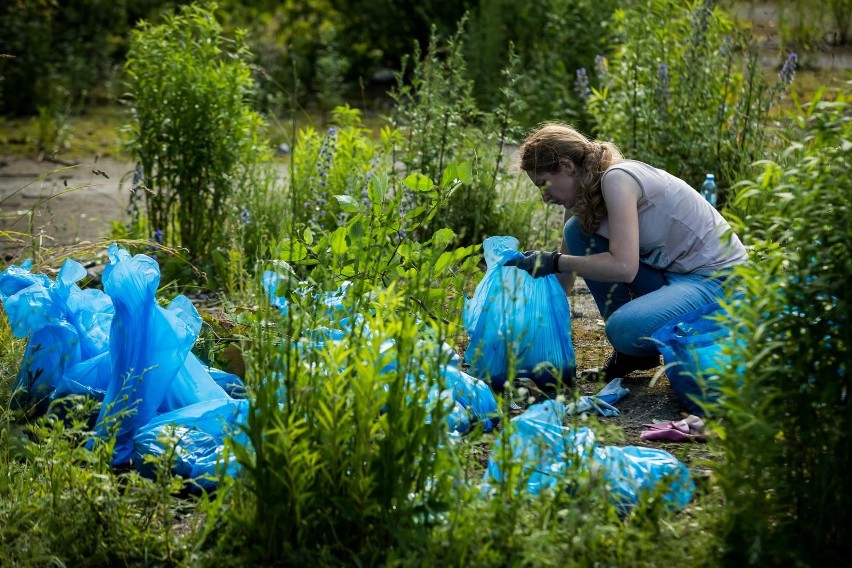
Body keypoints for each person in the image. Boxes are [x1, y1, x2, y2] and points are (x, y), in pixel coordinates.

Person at [505, 123, 747, 380]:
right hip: (675, 275)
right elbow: (564, 278)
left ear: (566, 166)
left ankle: (637, 342)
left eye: (544, 185)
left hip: (717, 279)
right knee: (577, 231)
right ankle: (632, 355)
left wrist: (554, 262)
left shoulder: (618, 179)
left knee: (622, 329)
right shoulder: (583, 195)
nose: (545, 198)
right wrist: (530, 315)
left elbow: (623, 266)